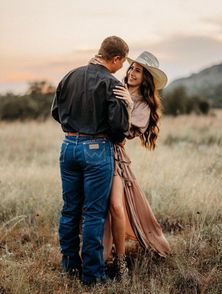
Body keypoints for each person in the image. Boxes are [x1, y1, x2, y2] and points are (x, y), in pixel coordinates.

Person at [51, 36, 129, 285]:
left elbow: (56, 112)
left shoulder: (70, 75)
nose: (122, 67)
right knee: (94, 213)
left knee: (70, 209)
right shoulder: (112, 83)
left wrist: (75, 126)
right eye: (123, 62)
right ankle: (93, 275)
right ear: (115, 59)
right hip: (97, 148)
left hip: (68, 146)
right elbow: (119, 130)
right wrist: (124, 107)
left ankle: (70, 266)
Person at [103, 51, 171, 278]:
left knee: (116, 205)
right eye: (131, 68)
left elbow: (124, 131)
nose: (131, 72)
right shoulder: (114, 87)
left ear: (146, 78)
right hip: (93, 151)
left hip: (114, 155)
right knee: (97, 208)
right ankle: (103, 257)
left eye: (138, 70)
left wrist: (127, 103)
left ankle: (121, 262)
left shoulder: (143, 105)